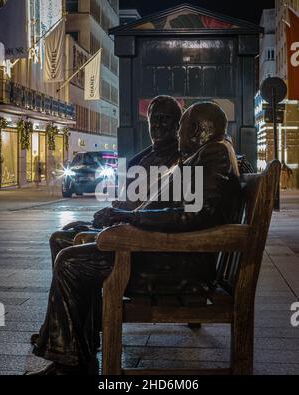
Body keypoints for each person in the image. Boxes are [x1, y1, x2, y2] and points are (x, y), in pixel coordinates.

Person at [28, 102, 240, 375]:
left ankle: (70, 363)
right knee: (66, 242)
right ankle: (76, 343)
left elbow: (193, 216)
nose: (177, 134)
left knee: (71, 262)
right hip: (162, 251)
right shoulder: (205, 153)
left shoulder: (214, 153)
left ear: (197, 129)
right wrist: (127, 216)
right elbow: (184, 210)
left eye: (182, 127)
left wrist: (131, 219)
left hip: (175, 264)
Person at [49, 95, 182, 268]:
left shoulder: (178, 161)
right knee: (67, 232)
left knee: (61, 242)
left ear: (177, 125)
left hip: (138, 241)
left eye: (164, 119)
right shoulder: (145, 158)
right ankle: (85, 296)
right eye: (153, 119)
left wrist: (118, 214)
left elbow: (157, 209)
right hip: (125, 227)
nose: (157, 124)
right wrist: (114, 211)